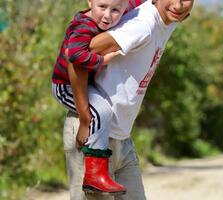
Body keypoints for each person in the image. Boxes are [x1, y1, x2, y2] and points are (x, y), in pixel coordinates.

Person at [63, 0, 194, 199]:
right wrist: (84, 117)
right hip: (93, 135)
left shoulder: (170, 19)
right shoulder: (143, 25)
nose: (178, 5)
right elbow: (76, 57)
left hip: (122, 139)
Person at [51, 0, 144, 195]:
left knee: (103, 107)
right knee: (101, 111)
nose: (108, 16)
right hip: (64, 86)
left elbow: (136, 2)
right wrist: (101, 60)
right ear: (90, 2)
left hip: (87, 84)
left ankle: (97, 170)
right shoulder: (83, 26)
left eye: (116, 10)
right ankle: (94, 172)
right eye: (102, 7)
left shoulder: (121, 8)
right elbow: (74, 55)